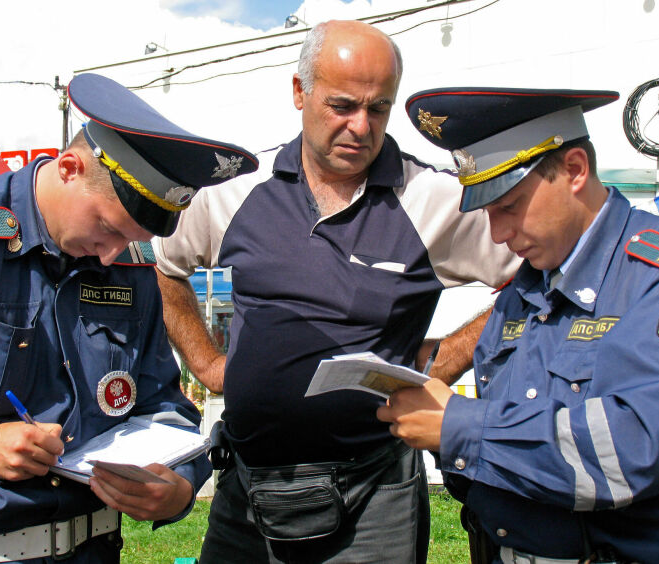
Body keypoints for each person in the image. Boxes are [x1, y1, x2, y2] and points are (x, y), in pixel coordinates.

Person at [154, 21, 520, 563]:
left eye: (379, 109)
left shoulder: (433, 199)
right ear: (299, 92)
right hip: (246, 490)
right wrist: (207, 363)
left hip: (373, 496)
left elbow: (529, 278)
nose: (360, 126)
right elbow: (164, 266)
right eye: (343, 105)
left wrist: (445, 360)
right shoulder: (235, 193)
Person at [379, 86, 659, 564]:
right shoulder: (524, 290)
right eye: (488, 212)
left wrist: (457, 427)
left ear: (575, 170)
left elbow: (634, 451)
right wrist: (436, 426)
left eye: (509, 206)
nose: (497, 234)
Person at [0, 72, 257, 564]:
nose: (110, 257)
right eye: (107, 228)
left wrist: (180, 487)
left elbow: (161, 402)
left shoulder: (131, 264)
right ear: (68, 167)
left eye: (128, 239)